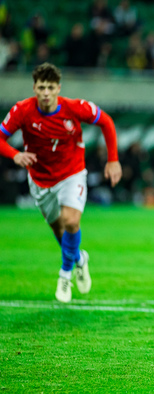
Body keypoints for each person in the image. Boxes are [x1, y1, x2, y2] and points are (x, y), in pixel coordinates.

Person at [0, 63, 122, 303]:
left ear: (58, 88)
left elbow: (106, 121)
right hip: (40, 179)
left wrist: (113, 160)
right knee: (59, 231)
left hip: (71, 173)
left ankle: (64, 275)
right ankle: (79, 260)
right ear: (34, 87)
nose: (46, 92)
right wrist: (15, 155)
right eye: (41, 87)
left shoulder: (74, 108)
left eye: (51, 87)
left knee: (71, 221)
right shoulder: (21, 111)